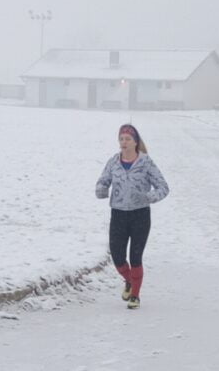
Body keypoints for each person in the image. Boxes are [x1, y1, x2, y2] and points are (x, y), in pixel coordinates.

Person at [95, 124, 169, 309]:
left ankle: (135, 295)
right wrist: (101, 190)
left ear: (135, 142)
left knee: (135, 257)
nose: (123, 142)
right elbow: (103, 180)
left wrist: (149, 197)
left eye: (127, 139)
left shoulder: (146, 162)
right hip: (118, 214)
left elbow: (163, 187)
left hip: (140, 215)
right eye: (121, 139)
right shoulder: (113, 161)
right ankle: (129, 281)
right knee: (117, 256)